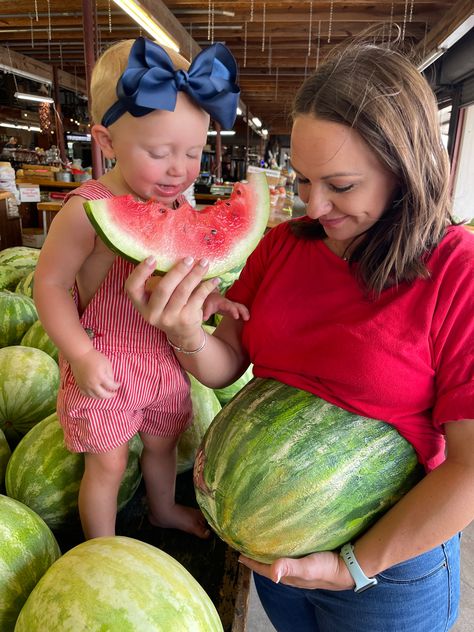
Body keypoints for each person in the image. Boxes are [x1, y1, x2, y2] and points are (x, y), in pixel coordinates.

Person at [124, 39, 474, 632]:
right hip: (273, 559)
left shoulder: (457, 270)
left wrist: (353, 567)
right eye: (303, 179)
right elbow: (228, 363)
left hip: (383, 577)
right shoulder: (283, 247)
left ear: (403, 167)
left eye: (340, 185)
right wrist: (186, 332)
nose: (313, 206)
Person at [33, 36, 247, 540]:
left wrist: (211, 301)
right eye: (159, 152)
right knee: (105, 467)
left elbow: (181, 280)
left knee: (162, 446)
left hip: (163, 358)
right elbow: (50, 284)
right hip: (104, 359)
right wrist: (79, 355)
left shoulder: (179, 209)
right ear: (106, 142)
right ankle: (100, 548)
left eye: (193, 153)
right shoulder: (85, 209)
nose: (179, 169)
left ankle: (162, 510)